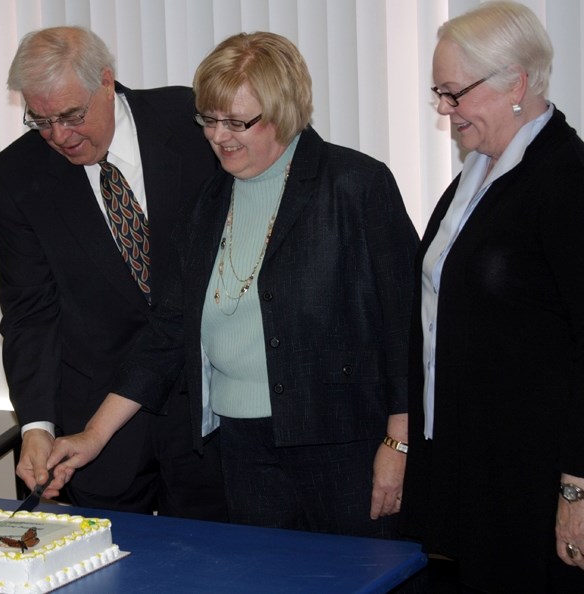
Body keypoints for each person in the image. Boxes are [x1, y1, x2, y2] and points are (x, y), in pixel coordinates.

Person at [45, 31, 418, 539]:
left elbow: (405, 328)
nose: (220, 136)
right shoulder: (209, 201)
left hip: (342, 444)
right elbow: (169, 331)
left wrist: (398, 444)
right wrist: (93, 434)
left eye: (238, 122)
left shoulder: (354, 185)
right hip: (241, 447)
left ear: (285, 112)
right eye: (210, 119)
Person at [0, 26, 226, 520]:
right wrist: (36, 426)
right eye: (41, 120)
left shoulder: (192, 120)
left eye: (72, 116)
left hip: (207, 408)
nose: (59, 136)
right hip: (94, 423)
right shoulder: (16, 175)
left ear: (107, 82)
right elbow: (30, 311)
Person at [399, 2, 584, 591]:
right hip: (469, 466)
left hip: (535, 476)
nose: (444, 111)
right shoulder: (477, 173)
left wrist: (577, 488)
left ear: (517, 84)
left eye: (454, 94)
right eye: (439, 94)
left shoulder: (565, 180)